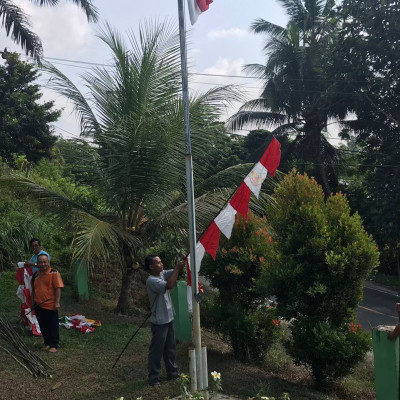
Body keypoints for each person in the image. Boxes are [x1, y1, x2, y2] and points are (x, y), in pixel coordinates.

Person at [145, 254, 186, 387]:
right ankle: (154, 378)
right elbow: (169, 285)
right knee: (157, 350)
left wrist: (182, 262)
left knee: (170, 348)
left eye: (161, 262)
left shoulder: (162, 274)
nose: (161, 264)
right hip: (159, 321)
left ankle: (172, 373)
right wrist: (178, 269)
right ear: (151, 267)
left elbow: (173, 271)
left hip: (169, 317)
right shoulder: (152, 280)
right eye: (158, 262)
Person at [31, 253, 64, 353]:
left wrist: (57, 302)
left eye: (45, 262)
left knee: (52, 325)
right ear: (37, 263)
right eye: (40, 262)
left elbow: (57, 288)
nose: (43, 264)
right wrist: (32, 302)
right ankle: (47, 343)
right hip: (38, 305)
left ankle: (54, 345)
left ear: (48, 262)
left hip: (50, 305)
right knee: (43, 326)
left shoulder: (54, 273)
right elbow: (33, 290)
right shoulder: (35, 275)